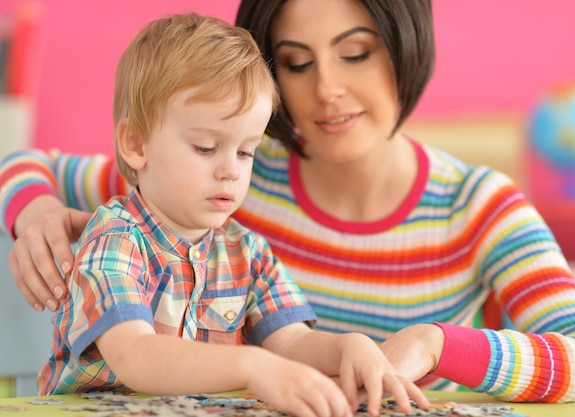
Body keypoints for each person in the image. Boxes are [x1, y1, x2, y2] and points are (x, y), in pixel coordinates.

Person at [1, 0, 575, 404]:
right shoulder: (214, 180)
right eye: (296, 65)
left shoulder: (480, 207)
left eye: (355, 53)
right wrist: (35, 214)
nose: (328, 90)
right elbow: (25, 164)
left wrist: (436, 345)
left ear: (406, 45)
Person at [25, 12, 429, 417]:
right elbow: (135, 355)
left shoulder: (248, 252)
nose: (230, 170)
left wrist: (348, 345)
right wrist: (253, 366)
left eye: (245, 151)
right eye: (205, 147)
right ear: (135, 144)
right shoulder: (114, 239)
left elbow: (291, 343)